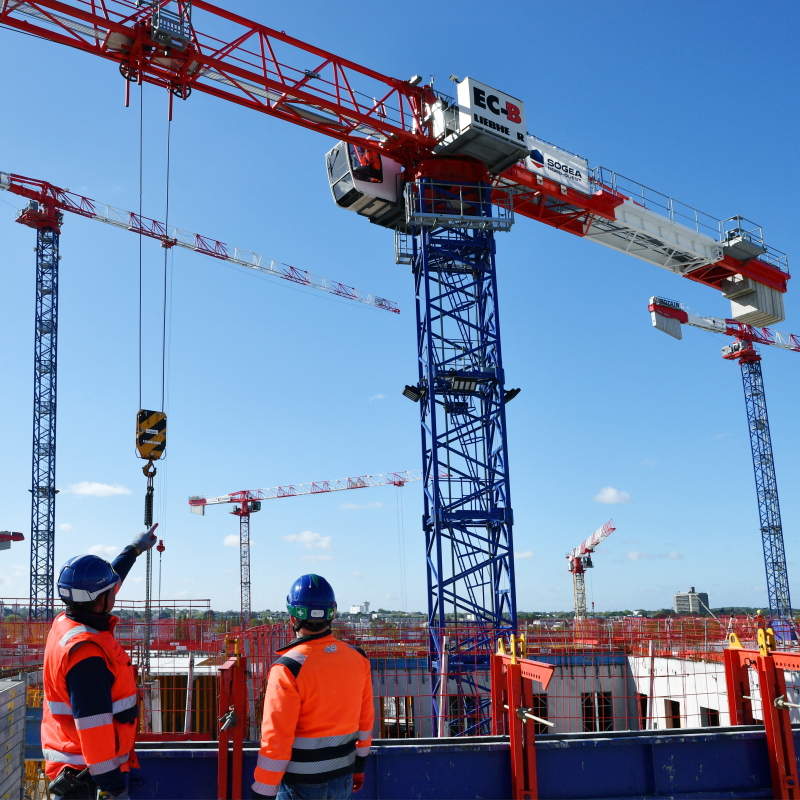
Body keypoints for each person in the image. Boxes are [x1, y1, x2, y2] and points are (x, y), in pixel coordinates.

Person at [42, 525, 159, 799]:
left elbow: (109, 581)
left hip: (73, 761)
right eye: (112, 592)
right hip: (88, 778)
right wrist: (114, 788)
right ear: (101, 599)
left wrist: (134, 549)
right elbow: (94, 728)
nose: (115, 593)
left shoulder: (65, 623)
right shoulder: (87, 655)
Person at [252, 574, 373, 800]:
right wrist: (359, 767)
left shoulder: (288, 668)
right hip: (343, 778)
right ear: (331, 615)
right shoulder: (359, 659)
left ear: (292, 617)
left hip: (300, 786)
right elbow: (365, 724)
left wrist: (263, 791)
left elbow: (276, 741)